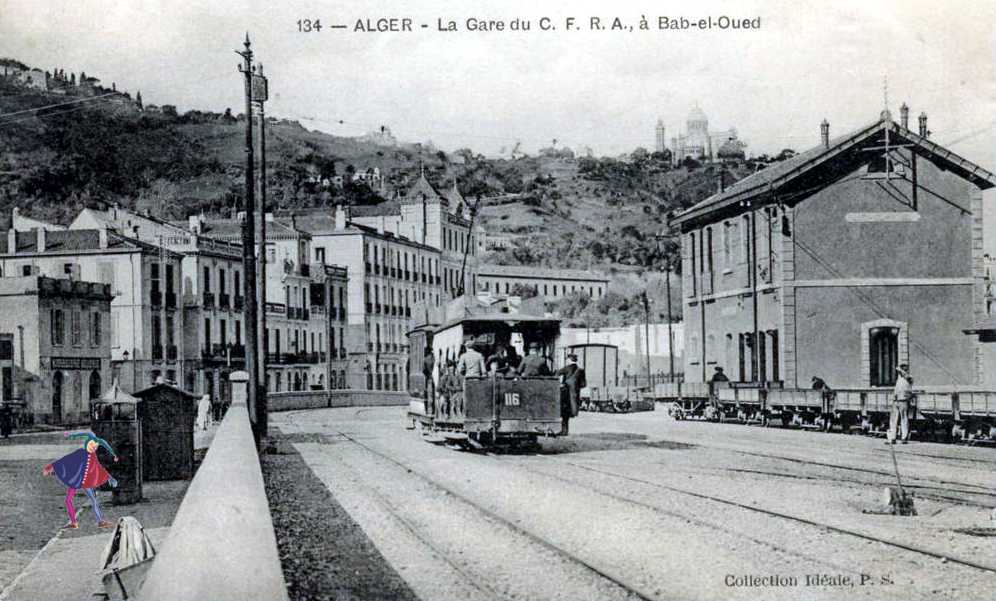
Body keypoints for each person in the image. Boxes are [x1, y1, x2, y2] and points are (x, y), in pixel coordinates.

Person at [43, 431, 119, 529]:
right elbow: (65, 460)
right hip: (75, 479)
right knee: (68, 500)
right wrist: (50, 467)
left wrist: (110, 476)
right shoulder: (80, 452)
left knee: (93, 500)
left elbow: (99, 468)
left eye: (96, 446)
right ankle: (74, 522)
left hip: (86, 482)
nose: (93, 447)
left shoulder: (93, 457)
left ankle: (100, 521)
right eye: (92, 445)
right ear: (87, 443)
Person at [556, 354, 586, 435]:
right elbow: (583, 384)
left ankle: (563, 431)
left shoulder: (566, 368)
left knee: (564, 413)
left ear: (569, 360)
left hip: (565, 394)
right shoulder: (580, 370)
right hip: (574, 395)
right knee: (568, 414)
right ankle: (565, 431)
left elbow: (556, 373)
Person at [888, 364, 913, 444]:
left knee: (903, 419)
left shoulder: (909, 378)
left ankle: (904, 437)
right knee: (894, 420)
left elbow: (907, 377)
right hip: (897, 400)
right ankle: (893, 437)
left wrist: (901, 371)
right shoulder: (899, 379)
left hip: (903, 400)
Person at [422, 347, 436, 414]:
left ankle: (429, 410)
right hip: (435, 377)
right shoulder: (435, 358)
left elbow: (424, 370)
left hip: (429, 378)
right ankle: (434, 410)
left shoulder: (425, 359)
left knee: (429, 395)